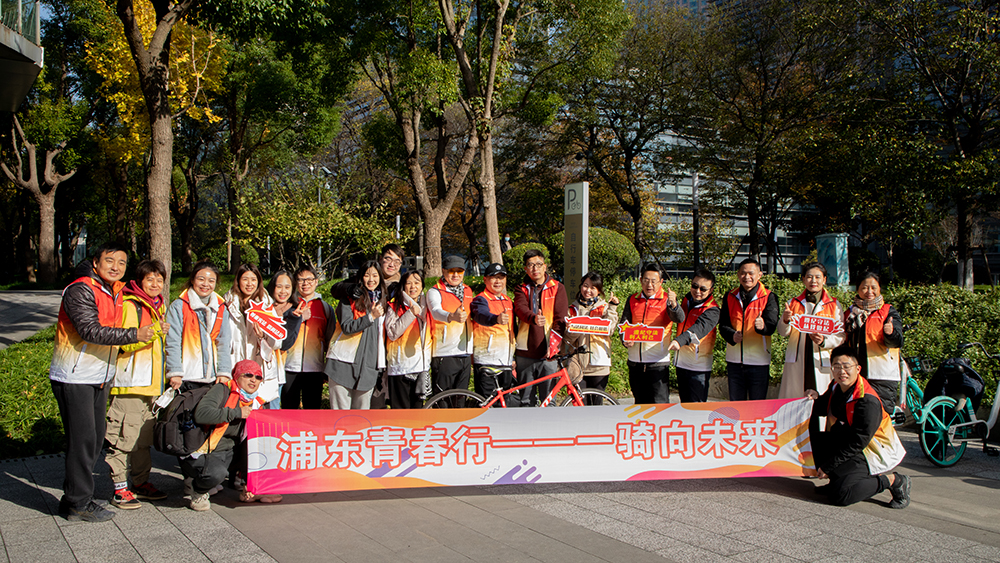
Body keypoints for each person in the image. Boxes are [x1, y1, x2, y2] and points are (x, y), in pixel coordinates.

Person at [50, 242, 155, 522]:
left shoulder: (114, 291)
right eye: (110, 260)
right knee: (83, 441)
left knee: (95, 439)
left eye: (121, 263)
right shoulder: (81, 289)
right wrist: (135, 334)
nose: (116, 267)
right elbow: (90, 330)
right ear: (95, 263)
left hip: (99, 376)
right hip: (75, 376)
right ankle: (78, 504)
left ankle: (74, 498)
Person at [805, 347, 909, 508]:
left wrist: (828, 466)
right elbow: (821, 409)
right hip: (846, 441)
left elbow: (859, 442)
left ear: (858, 369)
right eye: (837, 367)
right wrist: (813, 397)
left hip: (870, 450)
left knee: (842, 495)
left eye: (847, 366)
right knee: (809, 442)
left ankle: (893, 480)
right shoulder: (836, 386)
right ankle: (836, 481)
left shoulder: (867, 401)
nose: (842, 372)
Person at [106, 259, 171, 510]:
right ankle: (119, 488)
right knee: (123, 439)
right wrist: (155, 330)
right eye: (149, 279)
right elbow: (123, 341)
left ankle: (141, 483)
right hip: (130, 385)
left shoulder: (156, 306)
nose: (155, 284)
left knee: (142, 441)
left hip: (151, 387)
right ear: (139, 281)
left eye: (159, 280)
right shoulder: (130, 304)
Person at [183, 360, 280, 511]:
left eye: (258, 377)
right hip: (209, 448)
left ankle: (250, 488)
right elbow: (201, 414)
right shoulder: (222, 390)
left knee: (262, 445)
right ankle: (198, 490)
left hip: (233, 450)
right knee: (217, 474)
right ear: (237, 376)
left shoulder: (255, 401)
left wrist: (250, 481)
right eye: (248, 375)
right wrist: (236, 413)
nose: (253, 380)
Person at [778, 262, 846, 399]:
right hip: (798, 359)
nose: (813, 281)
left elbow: (840, 336)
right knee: (795, 400)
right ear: (803, 279)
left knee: (821, 400)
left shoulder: (833, 304)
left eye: (817, 277)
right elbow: (782, 332)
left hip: (820, 359)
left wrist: (824, 341)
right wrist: (785, 320)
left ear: (824, 280)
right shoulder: (793, 303)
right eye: (809, 277)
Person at [620, 263, 684, 404]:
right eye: (646, 280)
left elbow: (679, 318)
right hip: (635, 362)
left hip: (658, 362)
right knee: (639, 404)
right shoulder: (632, 299)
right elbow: (624, 324)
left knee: (659, 404)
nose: (649, 285)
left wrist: (674, 305)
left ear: (661, 282)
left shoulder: (667, 300)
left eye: (654, 281)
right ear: (640, 280)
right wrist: (624, 339)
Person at [165, 261, 232, 393]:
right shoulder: (179, 306)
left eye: (211, 281)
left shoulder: (221, 307)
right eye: (201, 279)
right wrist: (174, 371)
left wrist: (223, 371)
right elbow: (173, 341)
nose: (205, 284)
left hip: (213, 378)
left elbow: (223, 342)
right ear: (192, 280)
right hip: (186, 377)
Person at [325, 261, 385, 409]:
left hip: (368, 367)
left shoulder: (382, 300)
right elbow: (347, 326)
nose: (371, 279)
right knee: (340, 415)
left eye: (375, 275)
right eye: (366, 275)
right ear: (360, 277)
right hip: (342, 363)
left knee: (361, 416)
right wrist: (371, 317)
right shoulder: (348, 298)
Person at [718, 258, 780, 401]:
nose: (747, 277)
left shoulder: (769, 297)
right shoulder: (730, 296)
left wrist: (763, 327)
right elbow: (723, 324)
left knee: (757, 406)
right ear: (738, 275)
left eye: (751, 273)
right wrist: (732, 335)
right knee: (736, 405)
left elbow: (771, 326)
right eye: (743, 273)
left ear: (759, 275)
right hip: (734, 362)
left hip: (759, 362)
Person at [843, 271, 904, 415]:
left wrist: (890, 333)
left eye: (873, 287)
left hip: (882, 376)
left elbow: (897, 341)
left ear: (879, 289)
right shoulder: (849, 314)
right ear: (857, 289)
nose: (869, 292)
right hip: (855, 374)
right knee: (857, 415)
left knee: (880, 416)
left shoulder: (888, 311)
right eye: (864, 287)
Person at [513, 250, 568, 406]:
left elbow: (560, 318)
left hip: (549, 353)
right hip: (525, 352)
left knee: (549, 401)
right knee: (526, 401)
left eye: (538, 264)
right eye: (530, 265)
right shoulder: (521, 288)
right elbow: (520, 309)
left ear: (545, 266)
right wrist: (534, 318)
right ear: (525, 269)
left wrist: (554, 345)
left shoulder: (557, 287)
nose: (534, 268)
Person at [224, 264, 283, 408]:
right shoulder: (227, 305)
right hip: (235, 363)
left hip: (259, 366)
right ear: (238, 281)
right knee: (234, 408)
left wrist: (263, 337)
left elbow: (277, 343)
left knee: (259, 411)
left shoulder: (267, 306)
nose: (249, 283)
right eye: (245, 279)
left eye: (253, 279)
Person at [281, 265, 335, 409]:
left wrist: (327, 367)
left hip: (314, 368)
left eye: (309, 279)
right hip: (289, 366)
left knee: (312, 409)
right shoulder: (288, 305)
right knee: (288, 408)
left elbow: (330, 338)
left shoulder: (325, 307)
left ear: (316, 281)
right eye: (301, 280)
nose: (305, 283)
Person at [564, 272, 619, 403]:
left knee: (596, 404)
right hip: (578, 365)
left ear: (599, 291)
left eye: (593, 287)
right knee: (580, 404)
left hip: (599, 364)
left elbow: (610, 329)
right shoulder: (572, 309)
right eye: (585, 286)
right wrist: (575, 328)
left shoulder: (605, 308)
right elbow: (567, 339)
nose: (588, 290)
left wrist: (612, 308)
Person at [667, 269, 720, 403]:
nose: (697, 291)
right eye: (695, 286)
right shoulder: (687, 300)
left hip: (698, 367)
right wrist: (673, 305)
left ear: (711, 290)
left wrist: (679, 341)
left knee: (697, 408)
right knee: (684, 405)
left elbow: (698, 329)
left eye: (703, 289)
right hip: (681, 362)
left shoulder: (713, 310)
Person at [426, 255, 473, 394]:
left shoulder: (468, 290)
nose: (456, 275)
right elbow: (435, 311)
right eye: (451, 271)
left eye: (459, 271)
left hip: (465, 353)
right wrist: (451, 316)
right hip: (445, 353)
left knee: (461, 396)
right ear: (443, 271)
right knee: (442, 397)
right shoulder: (435, 291)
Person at [385, 270, 432, 408]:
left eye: (417, 283)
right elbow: (392, 333)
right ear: (403, 286)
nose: (413, 287)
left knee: (418, 412)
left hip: (420, 367)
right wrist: (410, 313)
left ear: (422, 286)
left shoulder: (426, 306)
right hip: (400, 368)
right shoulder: (394, 306)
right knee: (401, 413)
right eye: (408, 283)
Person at [470, 263, 516, 402]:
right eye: (494, 277)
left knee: (504, 403)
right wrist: (496, 318)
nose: (498, 281)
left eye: (501, 277)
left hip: (506, 362)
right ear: (485, 280)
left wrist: (513, 357)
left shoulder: (508, 301)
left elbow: (513, 329)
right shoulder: (480, 299)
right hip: (486, 361)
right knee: (487, 404)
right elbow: (481, 315)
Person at [266, 270, 305, 397]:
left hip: (277, 369)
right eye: (279, 286)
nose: (283, 291)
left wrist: (293, 319)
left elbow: (286, 344)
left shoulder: (295, 311)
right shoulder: (263, 307)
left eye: (287, 287)